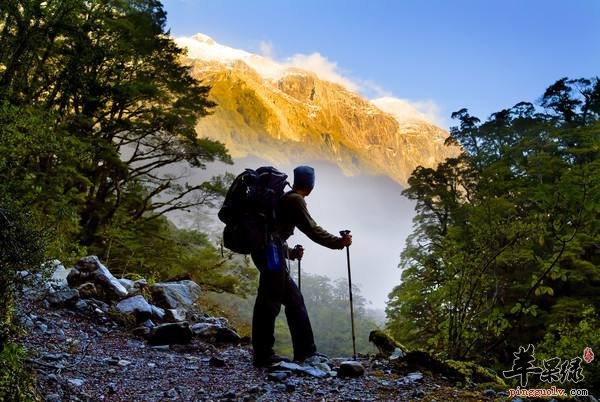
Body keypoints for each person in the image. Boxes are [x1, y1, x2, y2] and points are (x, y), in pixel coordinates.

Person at [251, 165, 353, 367]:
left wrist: (290, 254)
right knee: (269, 302)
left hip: (268, 251)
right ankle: (264, 354)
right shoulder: (295, 200)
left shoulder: (285, 197)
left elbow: (274, 231)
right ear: (311, 185)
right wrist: (338, 243)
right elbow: (312, 229)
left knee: (293, 299)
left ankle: (305, 352)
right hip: (271, 253)